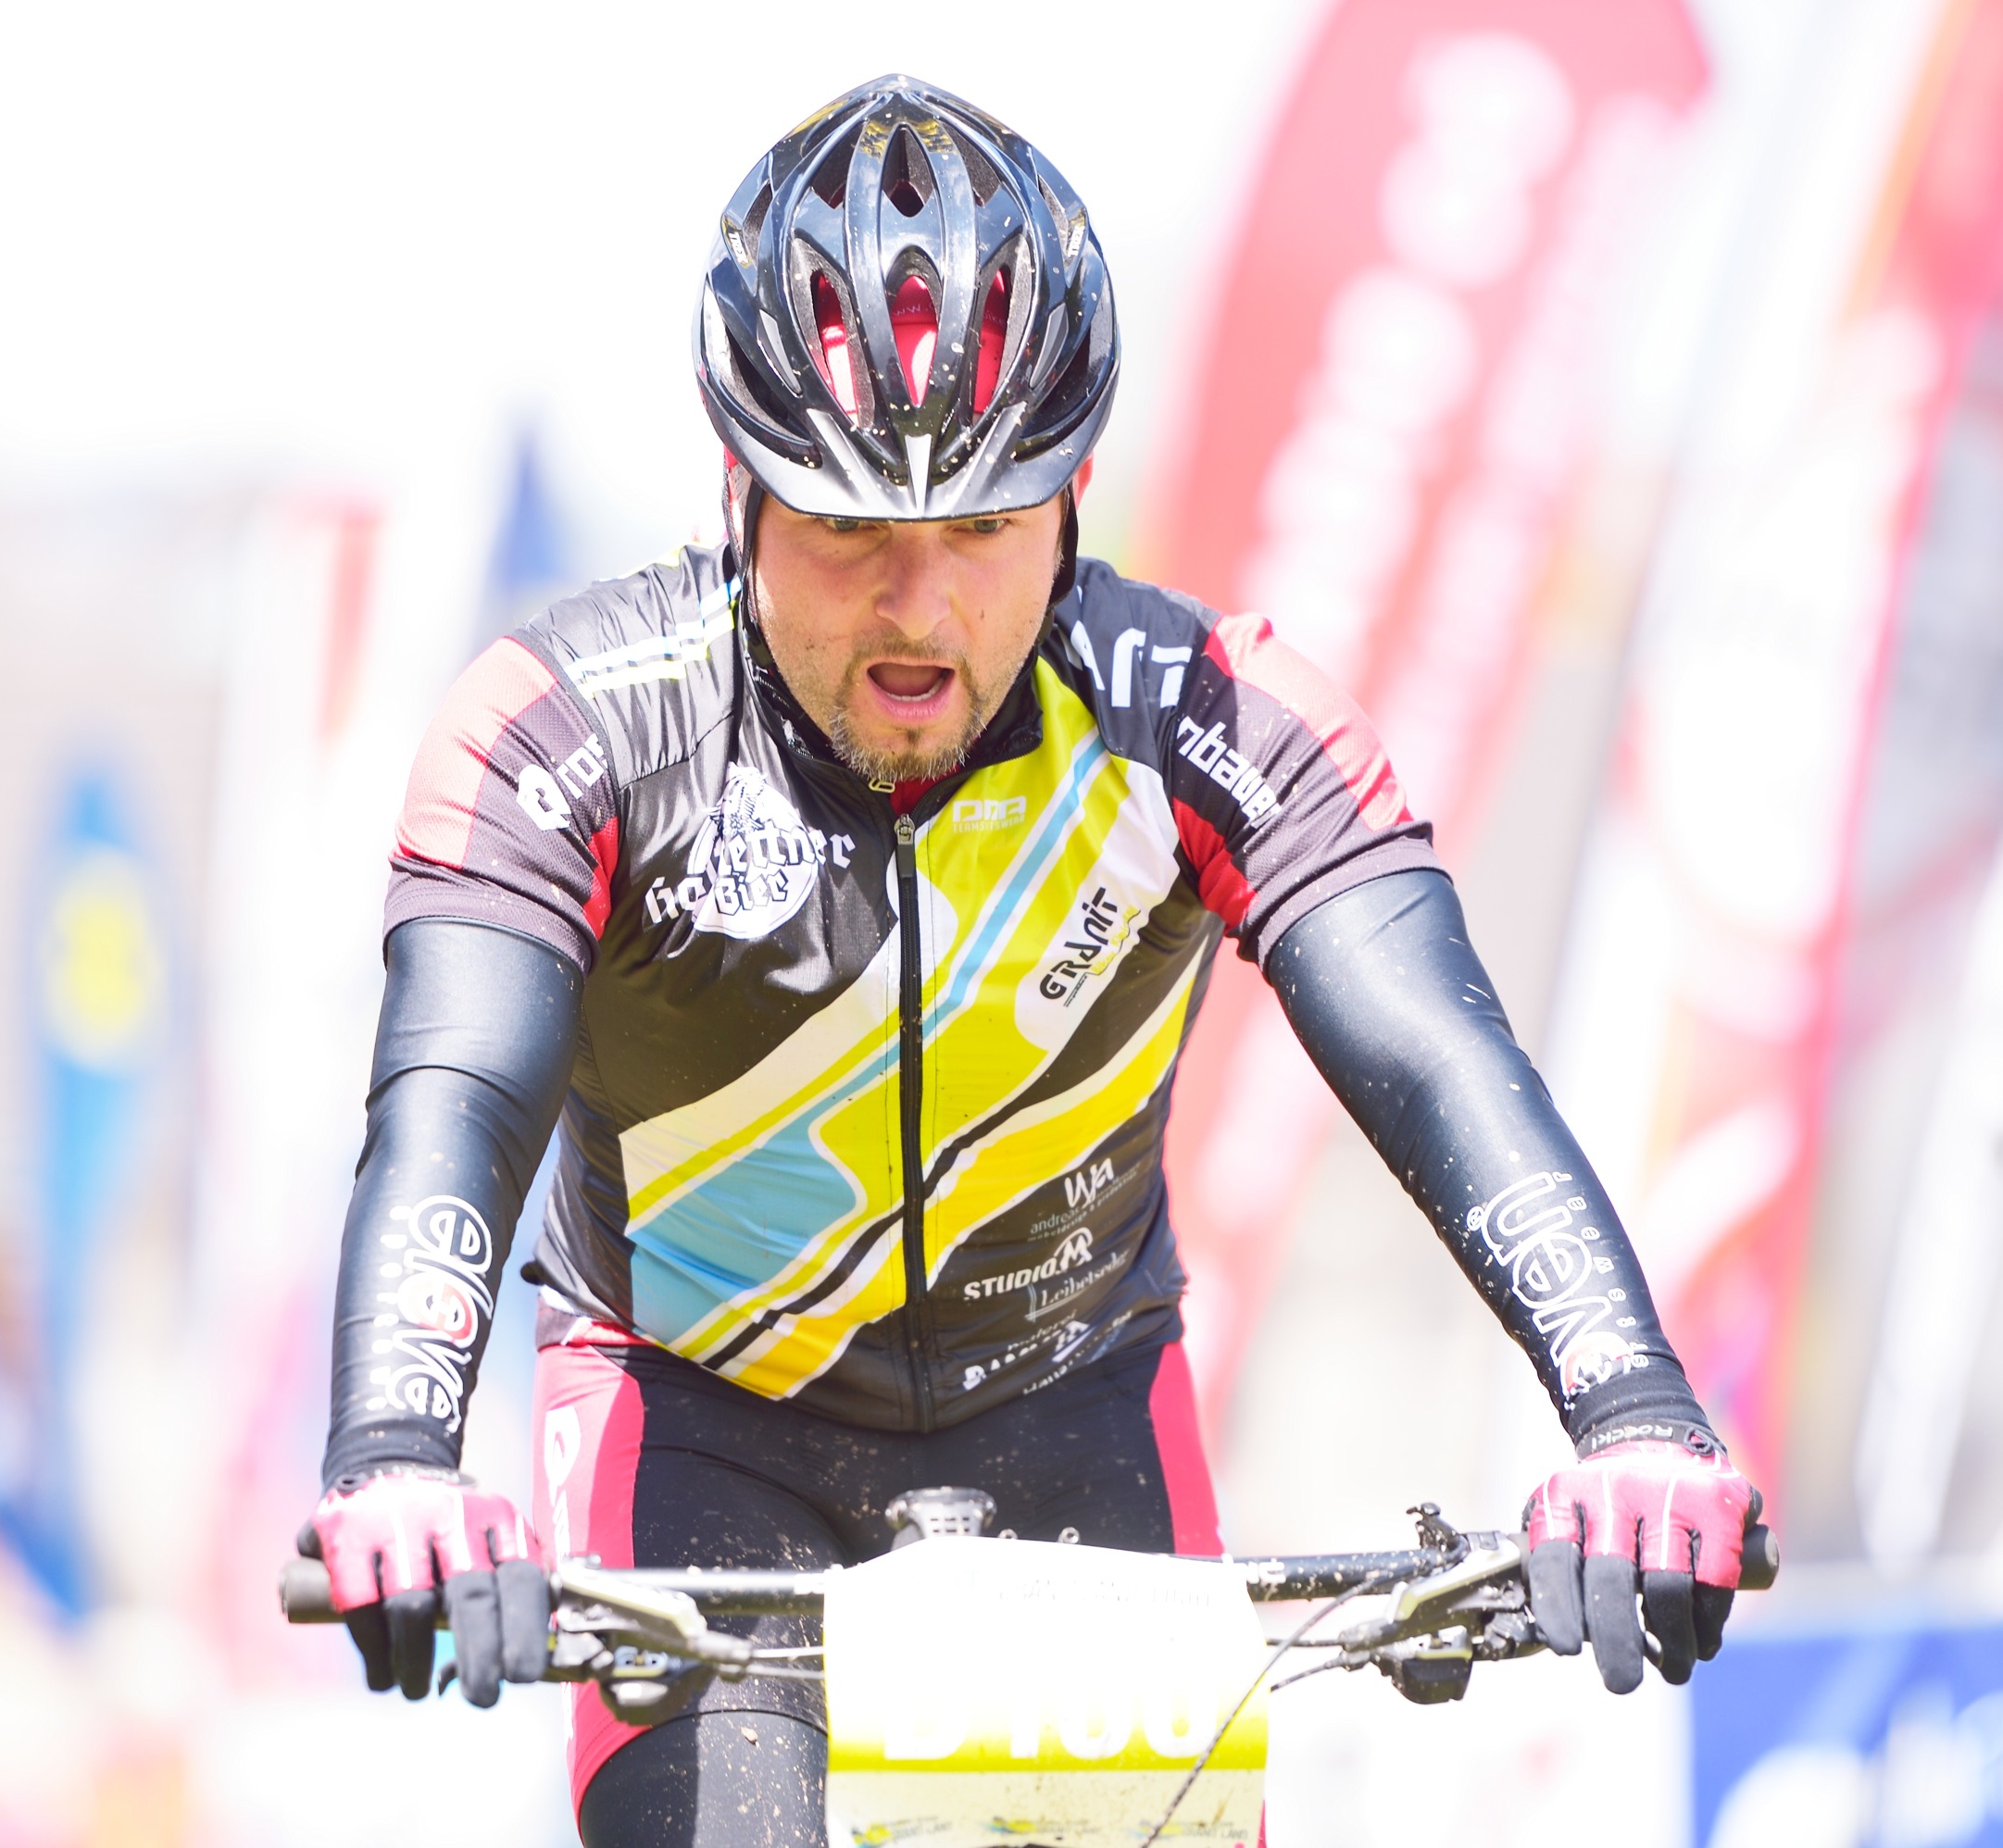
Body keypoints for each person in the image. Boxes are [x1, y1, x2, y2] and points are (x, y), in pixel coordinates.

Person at [299, 73, 1760, 1848]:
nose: (919, 607)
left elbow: (1441, 1060)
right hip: (697, 1430)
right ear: (740, 490)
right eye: (850, 527)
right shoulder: (569, 733)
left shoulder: (1206, 716)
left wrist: (1634, 1413)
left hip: (1076, 1413)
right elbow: (452, 1106)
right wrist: (398, 1453)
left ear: (1069, 500)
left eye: (984, 527)